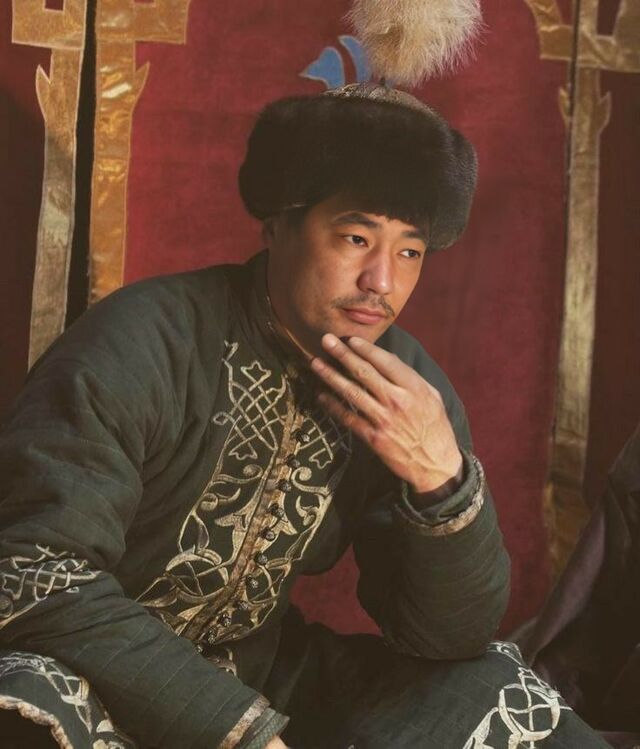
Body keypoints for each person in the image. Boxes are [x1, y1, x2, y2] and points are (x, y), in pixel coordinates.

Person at [0, 83, 610, 748]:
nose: (382, 280)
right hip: (93, 664)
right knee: (30, 695)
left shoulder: (406, 390)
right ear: (278, 225)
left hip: (260, 675)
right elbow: (33, 573)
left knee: (488, 687)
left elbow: (447, 638)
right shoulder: (143, 339)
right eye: (356, 237)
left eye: (409, 251)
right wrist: (241, 732)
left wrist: (443, 481)